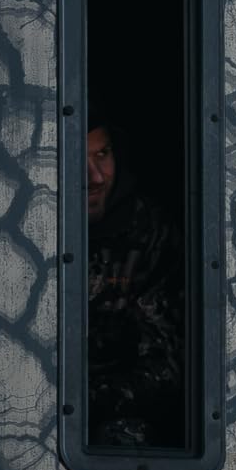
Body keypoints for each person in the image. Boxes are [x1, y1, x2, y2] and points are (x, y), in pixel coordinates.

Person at [83, 124, 186, 449]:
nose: (95, 177)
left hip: (111, 411)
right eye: (76, 158)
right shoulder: (22, 228)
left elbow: (167, 364)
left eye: (102, 154)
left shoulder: (148, 232)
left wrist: (80, 399)